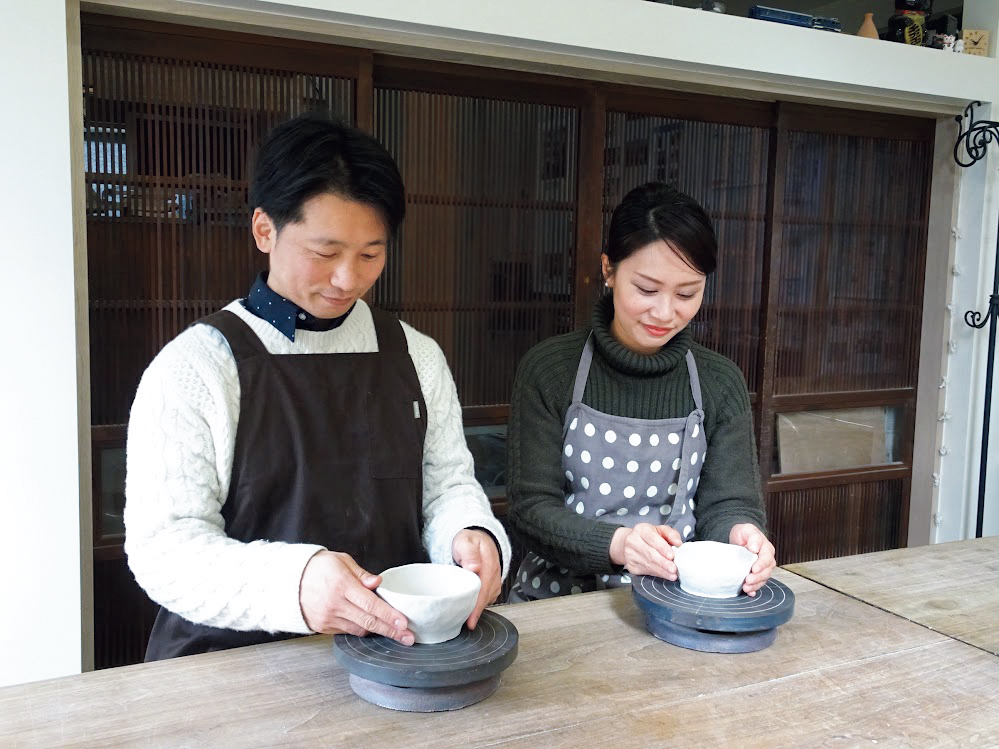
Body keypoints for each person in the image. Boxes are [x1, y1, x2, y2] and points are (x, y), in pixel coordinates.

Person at [124, 113, 510, 660]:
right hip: (228, 666)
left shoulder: (414, 355)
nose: (347, 279)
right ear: (264, 229)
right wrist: (297, 583)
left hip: (389, 659)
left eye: (370, 254)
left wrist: (467, 534)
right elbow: (164, 550)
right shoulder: (197, 366)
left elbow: (447, 485)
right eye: (324, 253)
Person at [505, 182, 774, 602]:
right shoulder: (550, 371)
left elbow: (729, 503)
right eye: (646, 290)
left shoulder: (719, 382)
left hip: (678, 601)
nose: (665, 313)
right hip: (559, 602)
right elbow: (530, 510)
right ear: (609, 269)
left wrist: (742, 533)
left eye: (687, 293)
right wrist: (620, 546)